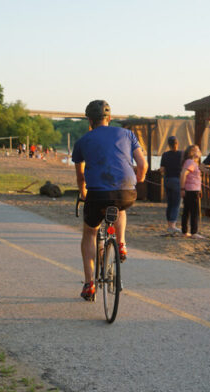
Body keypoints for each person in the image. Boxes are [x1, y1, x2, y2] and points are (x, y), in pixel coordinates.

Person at [72, 99, 147, 301]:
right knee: (119, 207)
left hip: (97, 194)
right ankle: (121, 243)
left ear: (89, 120)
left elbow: (80, 176)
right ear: (110, 118)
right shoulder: (128, 134)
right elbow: (142, 163)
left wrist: (83, 192)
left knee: (90, 232)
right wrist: (138, 180)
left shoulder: (82, 141)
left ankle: (89, 284)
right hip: (126, 192)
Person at [159, 135, 183, 234]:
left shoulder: (165, 155)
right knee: (176, 204)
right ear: (177, 143)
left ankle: (169, 224)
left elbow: (162, 169)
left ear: (168, 144)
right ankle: (172, 226)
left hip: (167, 179)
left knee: (170, 203)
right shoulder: (182, 154)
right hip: (177, 180)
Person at [179, 144, 204, 238]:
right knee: (193, 211)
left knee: (187, 210)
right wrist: (182, 188)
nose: (200, 152)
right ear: (193, 152)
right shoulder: (190, 163)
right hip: (191, 190)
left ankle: (185, 231)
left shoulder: (191, 162)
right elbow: (183, 174)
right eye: (197, 150)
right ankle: (194, 232)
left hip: (193, 189)